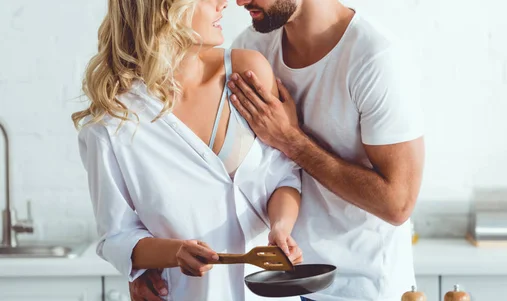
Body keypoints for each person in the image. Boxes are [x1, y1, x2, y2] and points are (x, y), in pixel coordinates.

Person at [133, 0, 426, 300]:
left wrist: (291, 140)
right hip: (279, 283)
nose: (239, 1)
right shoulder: (251, 49)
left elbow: (398, 204)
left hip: (361, 288)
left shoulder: (375, 59)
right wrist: (146, 263)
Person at [73, 0, 304, 300]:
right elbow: (116, 237)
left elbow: (283, 177)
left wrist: (281, 228)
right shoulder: (112, 123)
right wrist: (174, 253)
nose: (225, 3)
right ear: (165, 9)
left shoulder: (247, 72)